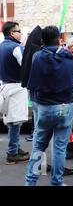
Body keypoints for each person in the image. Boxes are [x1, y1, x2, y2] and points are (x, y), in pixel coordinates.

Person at [25, 26, 73, 186]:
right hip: (65, 106)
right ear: (60, 40)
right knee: (59, 148)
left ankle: (30, 182)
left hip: (44, 107)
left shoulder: (37, 56)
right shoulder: (70, 59)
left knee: (38, 147)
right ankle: (57, 182)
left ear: (42, 41)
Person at [0, 22, 29, 164]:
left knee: (12, 119)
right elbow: (26, 67)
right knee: (15, 121)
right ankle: (12, 151)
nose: (21, 34)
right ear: (12, 33)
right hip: (16, 87)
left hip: (5, 86)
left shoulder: (1, 46)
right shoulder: (17, 47)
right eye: (19, 31)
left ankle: (15, 147)